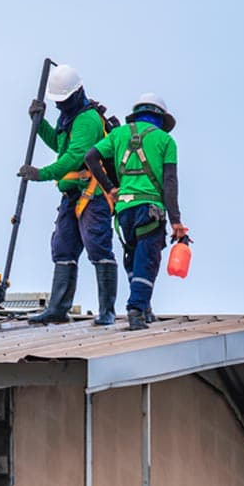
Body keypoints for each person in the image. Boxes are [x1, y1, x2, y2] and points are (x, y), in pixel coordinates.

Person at [18, 64, 118, 325]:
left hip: (92, 195)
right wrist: (39, 124)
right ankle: (58, 309)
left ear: (76, 93)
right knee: (63, 248)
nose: (60, 105)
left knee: (98, 247)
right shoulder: (69, 118)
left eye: (63, 100)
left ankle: (107, 311)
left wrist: (41, 173)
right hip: (72, 195)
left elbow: (75, 158)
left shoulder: (87, 119)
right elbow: (60, 146)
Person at [84, 93, 186, 330]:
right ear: (161, 118)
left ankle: (144, 307)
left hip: (124, 212)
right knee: (146, 260)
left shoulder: (119, 135)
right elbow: (170, 182)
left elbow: (91, 157)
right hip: (150, 210)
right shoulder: (165, 141)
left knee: (133, 258)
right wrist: (176, 221)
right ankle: (136, 309)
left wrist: (109, 188)